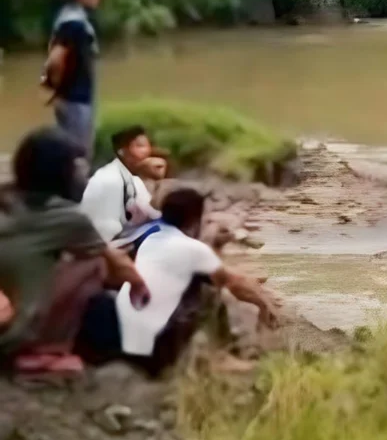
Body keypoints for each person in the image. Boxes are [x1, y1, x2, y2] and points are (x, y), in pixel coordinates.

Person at [78, 188, 277, 376]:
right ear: (194, 220)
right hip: (157, 349)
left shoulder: (141, 234)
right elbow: (234, 283)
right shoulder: (191, 249)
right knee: (210, 294)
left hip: (110, 338)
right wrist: (264, 305)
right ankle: (222, 353)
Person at [0, 127, 148, 375]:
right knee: (92, 265)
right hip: (11, 337)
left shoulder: (6, 197)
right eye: (76, 167)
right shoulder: (67, 218)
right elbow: (120, 267)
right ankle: (47, 348)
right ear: (60, 174)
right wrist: (144, 289)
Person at [41, 0, 102, 159]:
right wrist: (59, 90)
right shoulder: (73, 22)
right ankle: (76, 186)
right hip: (75, 98)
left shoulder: (73, 18)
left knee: (72, 149)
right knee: (78, 152)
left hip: (76, 96)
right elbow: (55, 59)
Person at [80, 125, 160, 242]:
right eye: (140, 146)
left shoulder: (132, 179)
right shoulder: (110, 179)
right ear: (122, 151)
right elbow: (107, 229)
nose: (147, 151)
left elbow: (151, 213)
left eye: (147, 146)